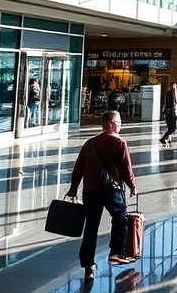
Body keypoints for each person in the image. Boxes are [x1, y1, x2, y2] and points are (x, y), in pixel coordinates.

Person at [65, 110, 138, 282]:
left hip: (90, 191)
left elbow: (78, 168)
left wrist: (73, 188)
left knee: (91, 227)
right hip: (111, 190)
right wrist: (132, 186)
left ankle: (88, 266)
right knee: (120, 217)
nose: (121, 125)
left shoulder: (89, 143)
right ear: (112, 124)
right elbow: (126, 169)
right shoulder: (119, 142)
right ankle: (116, 252)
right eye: (119, 122)